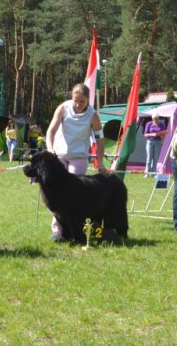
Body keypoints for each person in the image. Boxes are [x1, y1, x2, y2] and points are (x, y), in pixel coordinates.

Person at [46, 83, 108, 239]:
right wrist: (50, 149)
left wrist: (100, 164)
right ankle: (58, 230)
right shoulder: (63, 108)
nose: (78, 105)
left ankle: (74, 229)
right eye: (76, 101)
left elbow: (100, 141)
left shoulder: (93, 116)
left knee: (73, 195)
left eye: (82, 101)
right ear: (71, 98)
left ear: (88, 100)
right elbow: (51, 131)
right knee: (57, 195)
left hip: (79, 157)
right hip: (59, 156)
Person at [143, 113, 167, 177]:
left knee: (155, 159)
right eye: (155, 119)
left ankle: (154, 173)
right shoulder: (149, 124)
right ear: (152, 118)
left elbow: (163, 134)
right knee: (149, 159)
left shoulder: (161, 125)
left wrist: (162, 135)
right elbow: (145, 134)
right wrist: (154, 134)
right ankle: (147, 173)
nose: (156, 120)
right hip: (149, 142)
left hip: (158, 142)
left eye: (157, 118)